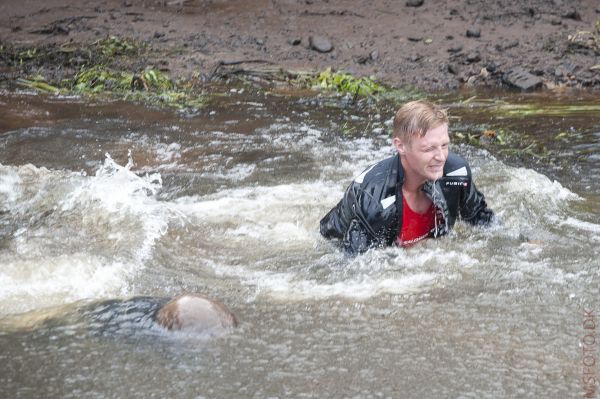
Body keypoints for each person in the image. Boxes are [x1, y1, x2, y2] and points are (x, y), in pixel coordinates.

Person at [320, 100, 494, 255]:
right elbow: (355, 268)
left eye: (444, 145)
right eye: (429, 149)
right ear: (400, 146)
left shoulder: (456, 173)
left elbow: (483, 221)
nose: (441, 157)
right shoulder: (375, 200)